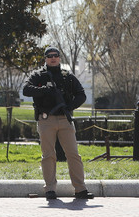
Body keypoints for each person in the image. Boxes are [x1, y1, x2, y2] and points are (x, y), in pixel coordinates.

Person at [22, 47, 94, 200]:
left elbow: (81, 95)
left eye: (55, 56)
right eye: (49, 56)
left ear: (60, 58)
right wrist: (44, 90)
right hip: (46, 119)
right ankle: (50, 189)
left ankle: (80, 189)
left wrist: (70, 107)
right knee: (48, 155)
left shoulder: (67, 76)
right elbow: (26, 90)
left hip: (65, 119)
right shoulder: (38, 75)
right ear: (45, 59)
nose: (53, 58)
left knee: (73, 154)